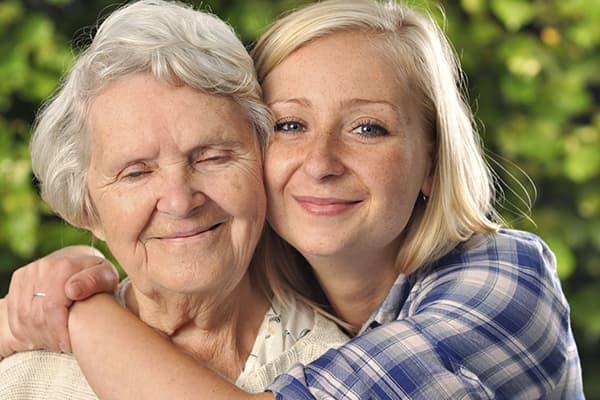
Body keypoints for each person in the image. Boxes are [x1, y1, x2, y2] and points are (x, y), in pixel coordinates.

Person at [2, 0, 584, 398]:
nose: (321, 165)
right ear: (86, 209)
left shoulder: (504, 280)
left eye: (368, 129)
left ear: (433, 161)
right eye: (290, 127)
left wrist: (75, 310)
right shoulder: (27, 374)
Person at [0, 0, 351, 398]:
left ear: (264, 162)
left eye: (212, 157)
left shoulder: (343, 373)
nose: (180, 201)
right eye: (137, 172)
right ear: (87, 208)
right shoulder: (23, 375)